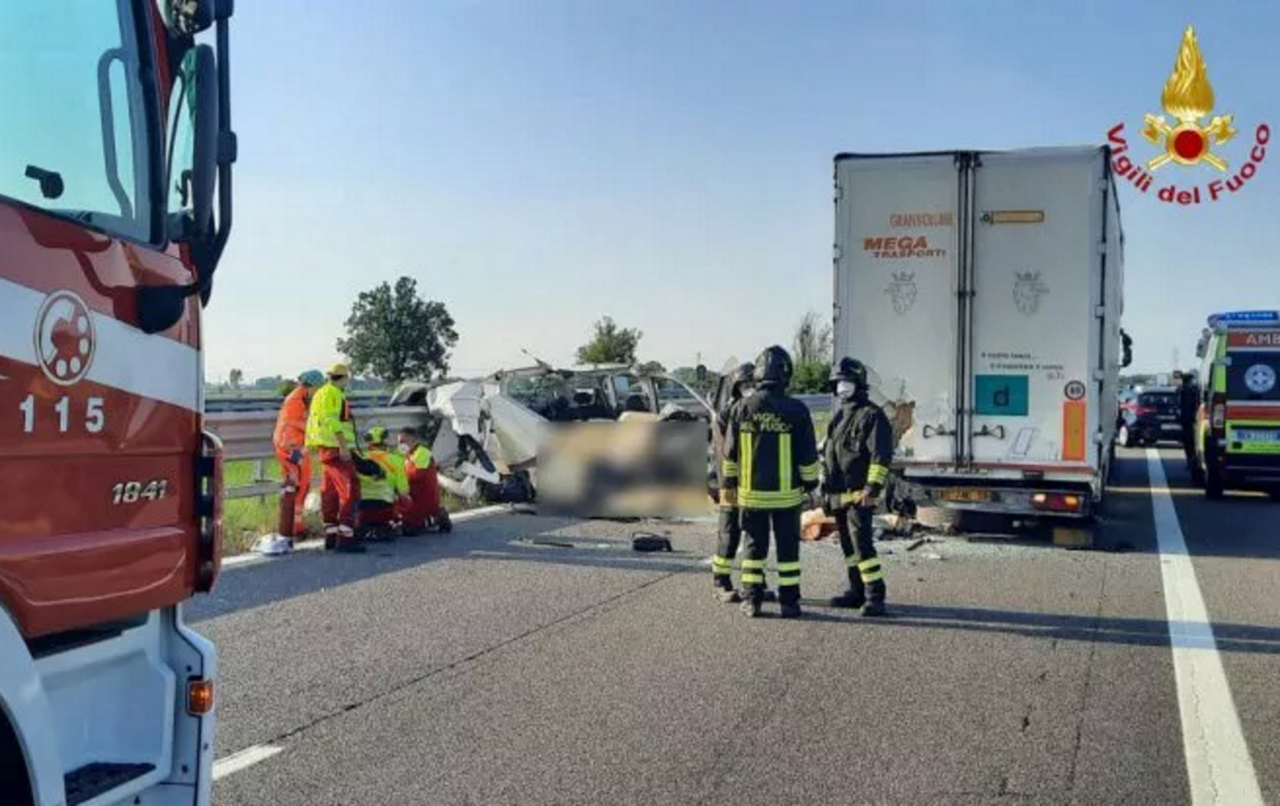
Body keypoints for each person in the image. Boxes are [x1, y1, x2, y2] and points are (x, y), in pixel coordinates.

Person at [722, 345, 820, 619]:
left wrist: (729, 486)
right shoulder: (797, 410)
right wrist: (812, 485)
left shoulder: (742, 407)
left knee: (754, 549)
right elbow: (808, 456)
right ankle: (789, 604)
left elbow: (730, 455)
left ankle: (752, 601)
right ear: (786, 373)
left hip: (751, 497)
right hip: (787, 498)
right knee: (788, 552)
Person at [821, 357, 892, 617]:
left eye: (847, 382)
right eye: (838, 382)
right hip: (838, 496)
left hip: (859, 496)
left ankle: (875, 596)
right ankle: (856, 591)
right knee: (848, 549)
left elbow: (880, 456)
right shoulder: (840, 416)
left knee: (863, 548)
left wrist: (871, 489)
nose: (842, 387)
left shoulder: (872, 415)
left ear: (858, 383)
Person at [710, 362, 775, 604]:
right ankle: (721, 582)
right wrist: (726, 485)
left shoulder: (757, 410)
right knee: (730, 533)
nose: (749, 389)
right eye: (744, 385)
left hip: (753, 484)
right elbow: (722, 453)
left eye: (753, 384)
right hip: (731, 483)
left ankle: (755, 584)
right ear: (736, 388)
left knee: (755, 537)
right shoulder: (727, 414)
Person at [304, 363, 365, 553]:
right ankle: (346, 537)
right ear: (344, 378)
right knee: (351, 488)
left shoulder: (320, 393)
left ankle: (330, 535)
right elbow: (331, 420)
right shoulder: (334, 394)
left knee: (329, 491)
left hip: (323, 447)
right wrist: (344, 445)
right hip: (334, 448)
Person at [272, 369, 324, 541]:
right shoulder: (295, 400)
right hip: (291, 448)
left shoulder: (300, 398)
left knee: (300, 485)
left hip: (294, 448)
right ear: (310, 386)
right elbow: (297, 422)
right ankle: (294, 528)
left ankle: (295, 526)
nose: (318, 392)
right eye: (318, 388)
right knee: (298, 486)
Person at [355, 425, 410, 540]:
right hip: (385, 509)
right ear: (386, 442)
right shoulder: (397, 460)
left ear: (369, 443)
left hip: (361, 508)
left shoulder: (359, 460)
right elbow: (403, 493)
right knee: (406, 500)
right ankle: (396, 523)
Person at [396, 426, 452, 535]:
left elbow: (416, 475)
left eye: (403, 441)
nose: (400, 445)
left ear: (413, 441)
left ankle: (438, 515)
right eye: (399, 442)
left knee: (409, 530)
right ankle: (428, 518)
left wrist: (399, 480)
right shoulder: (406, 455)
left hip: (423, 497)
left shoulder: (423, 453)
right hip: (412, 496)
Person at [1178, 370, 1201, 469]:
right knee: (1192, 442)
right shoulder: (1194, 390)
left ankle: (1189, 461)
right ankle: (1192, 461)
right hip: (1193, 419)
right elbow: (1197, 403)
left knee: (1187, 442)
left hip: (1184, 419)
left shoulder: (1180, 390)